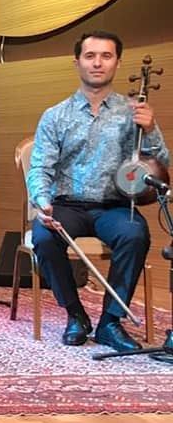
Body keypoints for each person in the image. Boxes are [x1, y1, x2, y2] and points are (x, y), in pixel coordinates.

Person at [26, 30, 168, 351]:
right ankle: (75, 314)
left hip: (114, 206)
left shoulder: (133, 111)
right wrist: (42, 201)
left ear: (117, 62)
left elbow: (161, 164)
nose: (97, 63)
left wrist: (150, 129)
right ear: (77, 62)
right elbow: (40, 167)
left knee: (135, 234)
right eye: (90, 56)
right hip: (66, 205)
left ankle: (110, 322)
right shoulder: (55, 115)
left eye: (106, 56)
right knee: (44, 238)